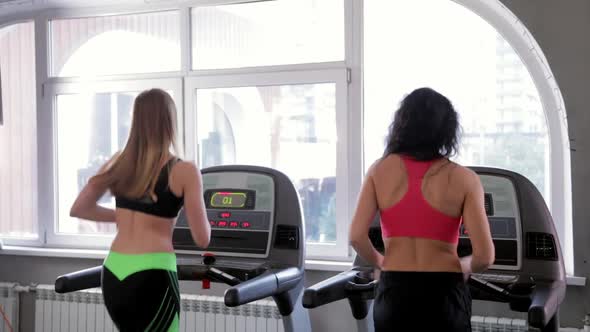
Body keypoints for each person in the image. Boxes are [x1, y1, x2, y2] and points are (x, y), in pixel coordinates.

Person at [349, 87, 495, 332]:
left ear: (402, 124)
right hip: (443, 294)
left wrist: (380, 262)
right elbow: (485, 257)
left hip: (395, 292)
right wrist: (466, 266)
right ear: (446, 130)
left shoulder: (379, 170)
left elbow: (355, 236)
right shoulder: (464, 179)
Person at [70, 88, 211, 332]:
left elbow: (80, 208)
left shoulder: (119, 162)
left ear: (136, 121)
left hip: (114, 271)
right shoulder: (184, 170)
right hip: (152, 272)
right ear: (170, 122)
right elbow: (202, 238)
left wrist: (122, 217)